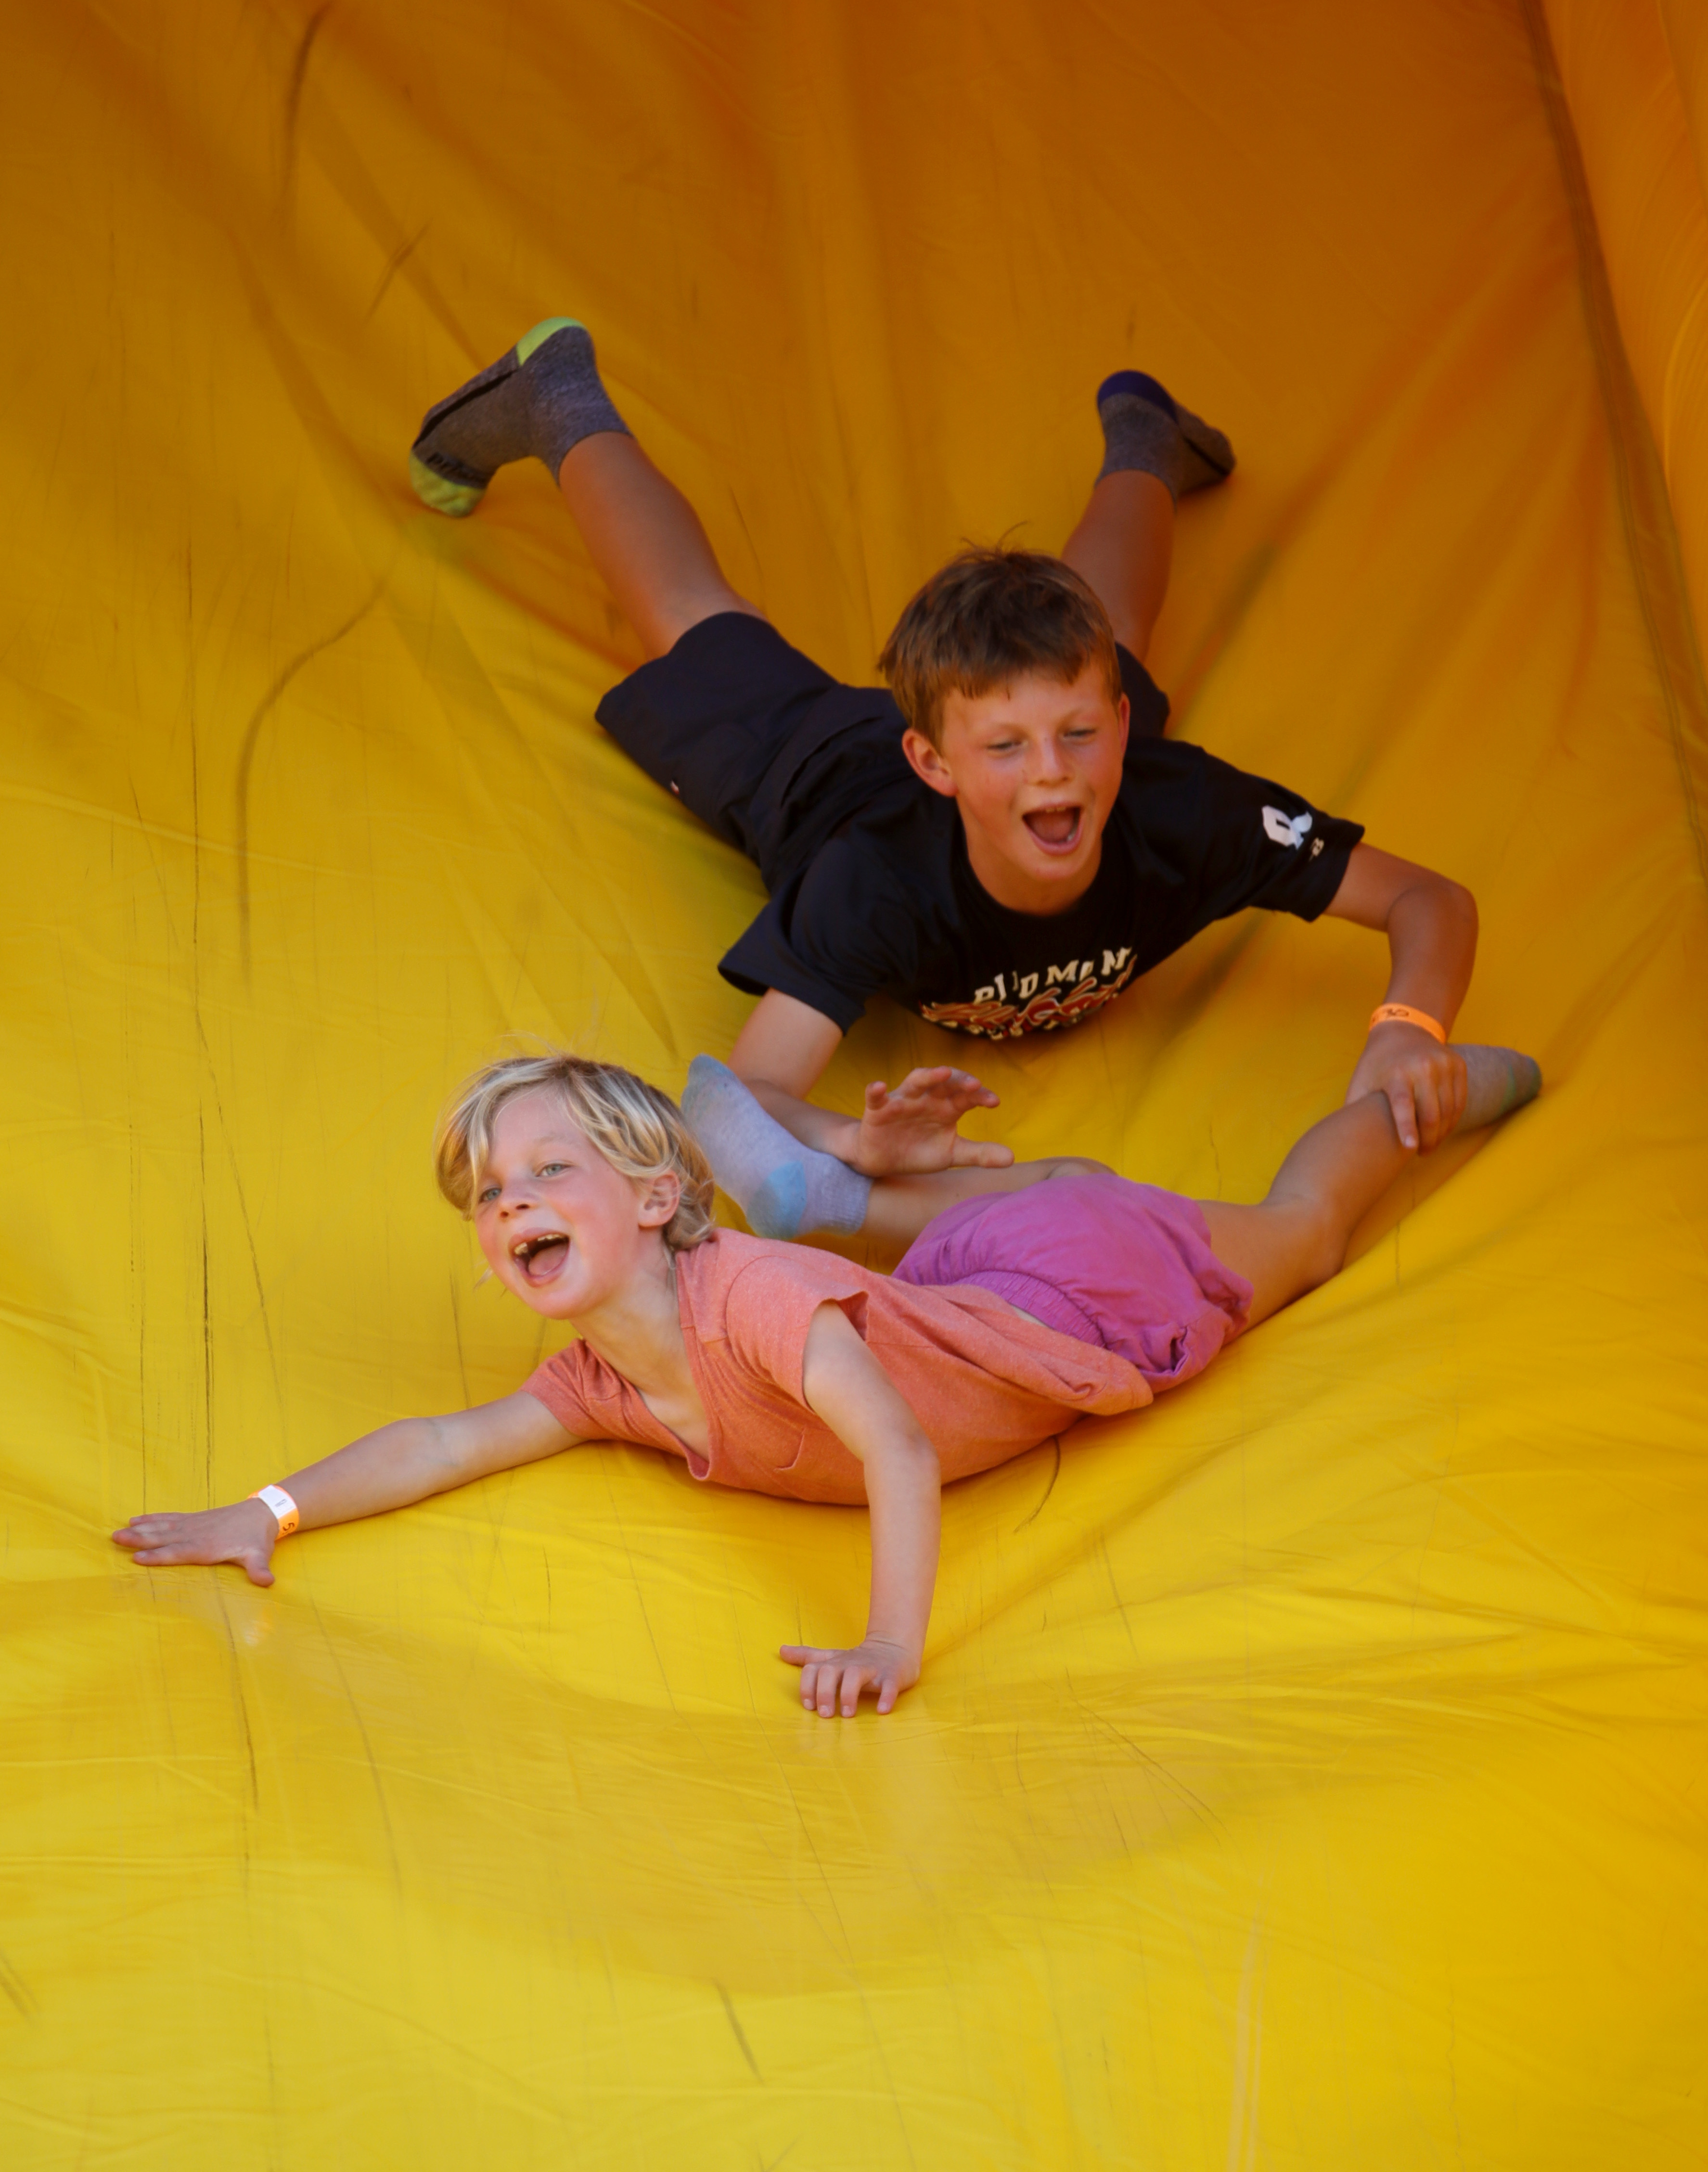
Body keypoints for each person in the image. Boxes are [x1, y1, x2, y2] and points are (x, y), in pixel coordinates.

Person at [401, 320, 1479, 1245]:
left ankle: (1144, 441)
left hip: (1053, 734)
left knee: (1110, 629)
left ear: (1114, 728)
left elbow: (1428, 900)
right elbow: (743, 1094)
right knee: (689, 617)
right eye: (1006, 749)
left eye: (1074, 734)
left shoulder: (1172, 802)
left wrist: (1407, 1024)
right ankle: (557, 400)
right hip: (819, 769)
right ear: (935, 762)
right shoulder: (873, 876)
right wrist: (851, 1141)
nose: (1051, 773)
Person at [112, 1041, 1539, 1719]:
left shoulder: (758, 1304)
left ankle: (1413, 1096)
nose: (514, 1202)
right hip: (969, 1275)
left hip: (1065, 1286)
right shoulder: (607, 1379)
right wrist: (272, 1509)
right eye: (491, 1195)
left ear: (662, 1195)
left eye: (551, 1171)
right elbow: (445, 1440)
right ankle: (887, 1184)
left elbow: (899, 1451)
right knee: (1052, 1203)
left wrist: (889, 1644)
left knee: (1295, 1238)